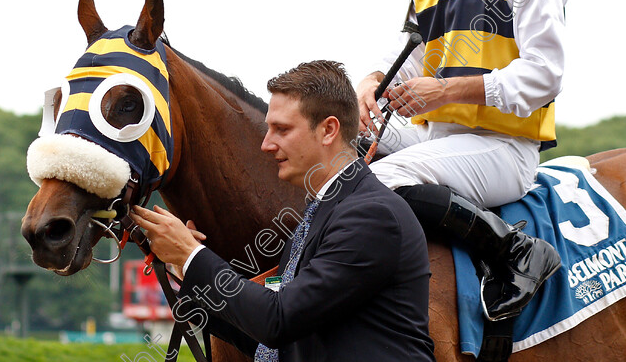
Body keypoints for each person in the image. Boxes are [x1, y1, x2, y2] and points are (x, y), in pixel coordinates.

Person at [356, 0, 566, 321]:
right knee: (336, 145)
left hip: (503, 148)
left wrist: (448, 90)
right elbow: (410, 55)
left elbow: (545, 74)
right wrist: (371, 83)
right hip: (438, 139)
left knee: (386, 177)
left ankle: (514, 252)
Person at [131, 60, 435, 362]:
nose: (266, 144)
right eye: (268, 129)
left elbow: (278, 319)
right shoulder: (322, 214)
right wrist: (185, 267)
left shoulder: (372, 216)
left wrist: (191, 254)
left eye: (282, 130)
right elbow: (274, 344)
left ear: (329, 130)